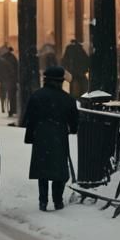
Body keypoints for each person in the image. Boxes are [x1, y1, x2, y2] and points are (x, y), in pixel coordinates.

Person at [23, 65, 79, 211]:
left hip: (41, 135)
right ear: (61, 81)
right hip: (59, 136)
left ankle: (43, 201)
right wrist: (72, 129)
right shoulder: (68, 99)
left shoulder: (36, 96)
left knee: (43, 170)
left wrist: (30, 137)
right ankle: (58, 200)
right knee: (59, 170)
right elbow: (74, 123)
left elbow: (29, 119)